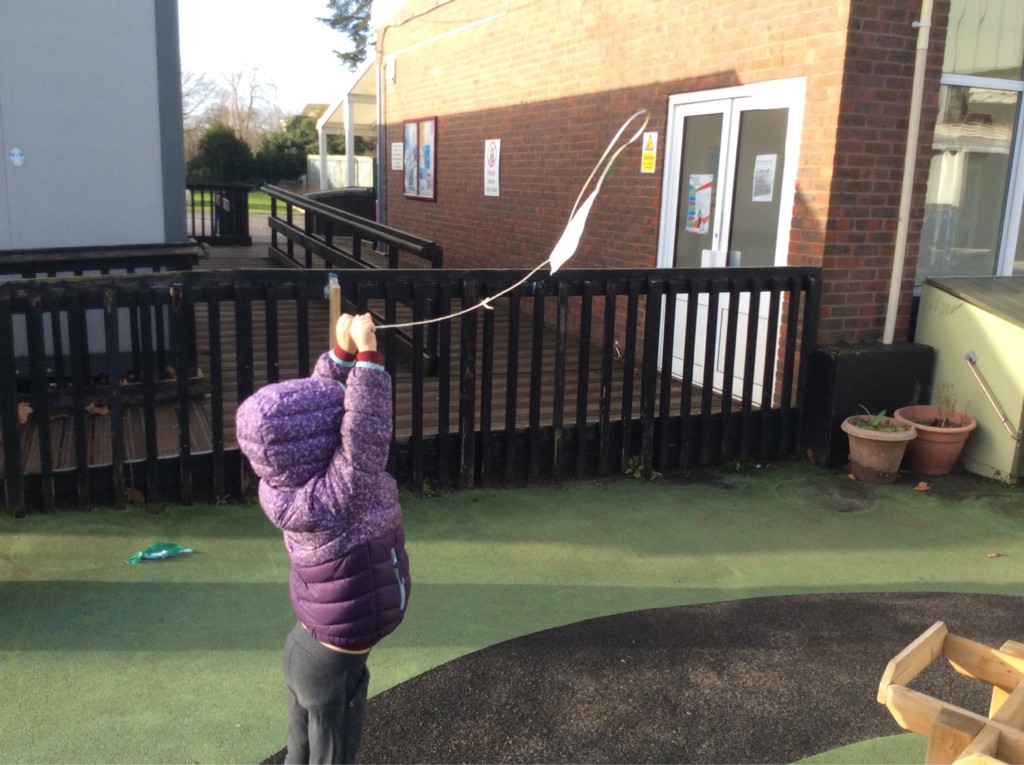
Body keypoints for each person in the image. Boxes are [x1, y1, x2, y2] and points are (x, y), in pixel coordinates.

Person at [236, 312, 410, 764]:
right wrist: (369, 360)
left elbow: (318, 403)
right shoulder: (336, 496)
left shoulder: (289, 483)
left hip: (311, 648)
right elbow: (364, 439)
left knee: (301, 752)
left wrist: (340, 354)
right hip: (333, 666)